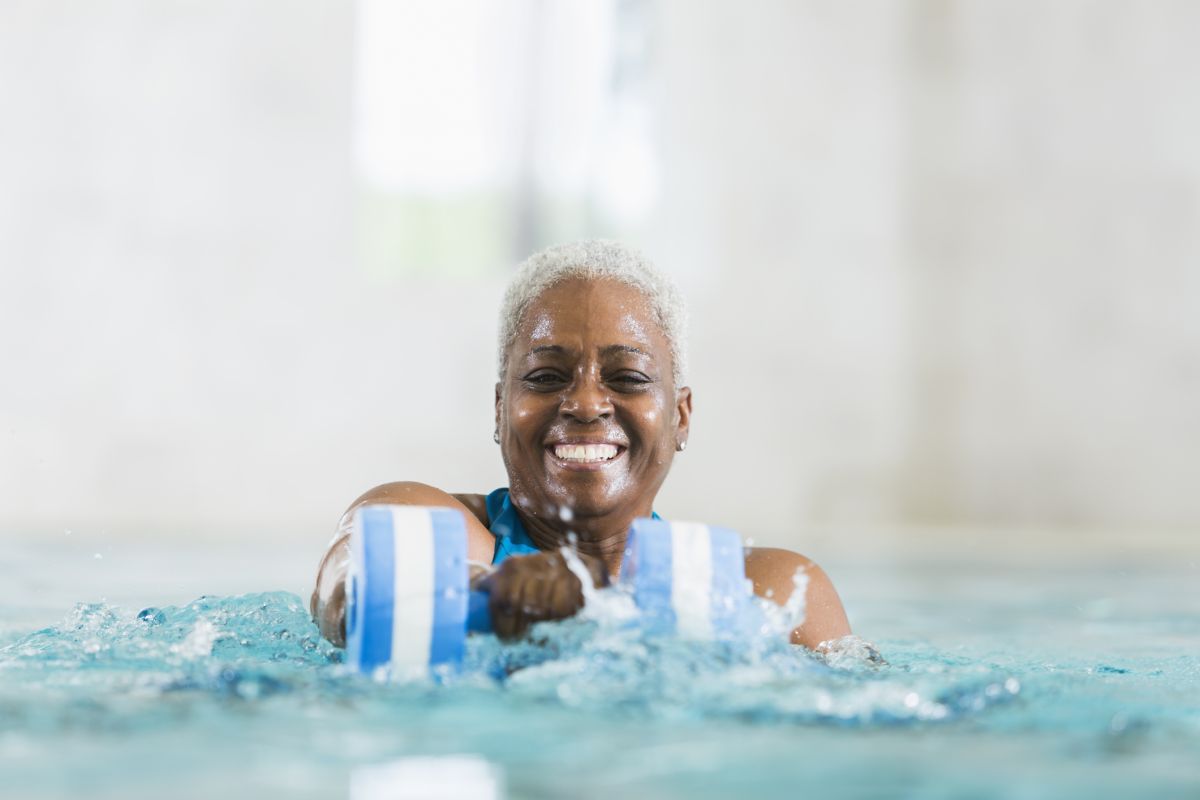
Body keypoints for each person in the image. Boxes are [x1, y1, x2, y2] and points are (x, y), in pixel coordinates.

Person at [311, 240, 851, 649]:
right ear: (500, 410)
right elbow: (346, 587)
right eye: (546, 376)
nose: (586, 404)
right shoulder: (433, 522)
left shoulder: (769, 591)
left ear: (681, 417)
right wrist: (487, 596)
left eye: (629, 378)